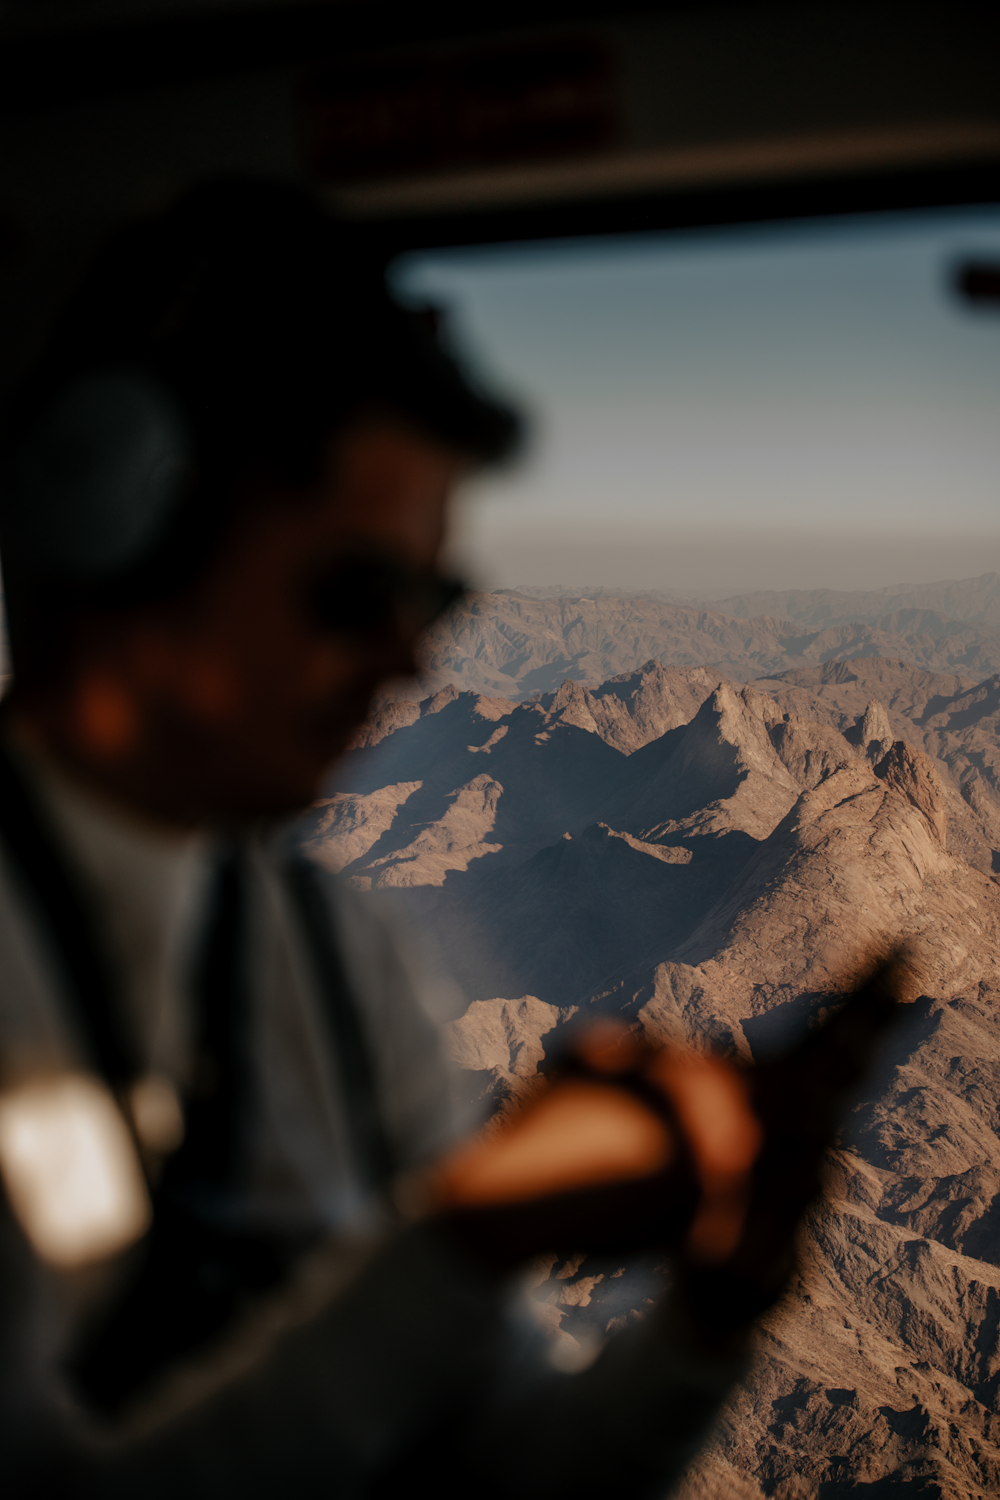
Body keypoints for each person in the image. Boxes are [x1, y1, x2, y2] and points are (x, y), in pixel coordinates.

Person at [0, 179, 900, 1497]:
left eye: (435, 595)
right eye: (356, 588)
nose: (412, 657)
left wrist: (721, 1302)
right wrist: (468, 1241)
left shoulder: (323, 949)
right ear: (121, 519)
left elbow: (498, 1462)